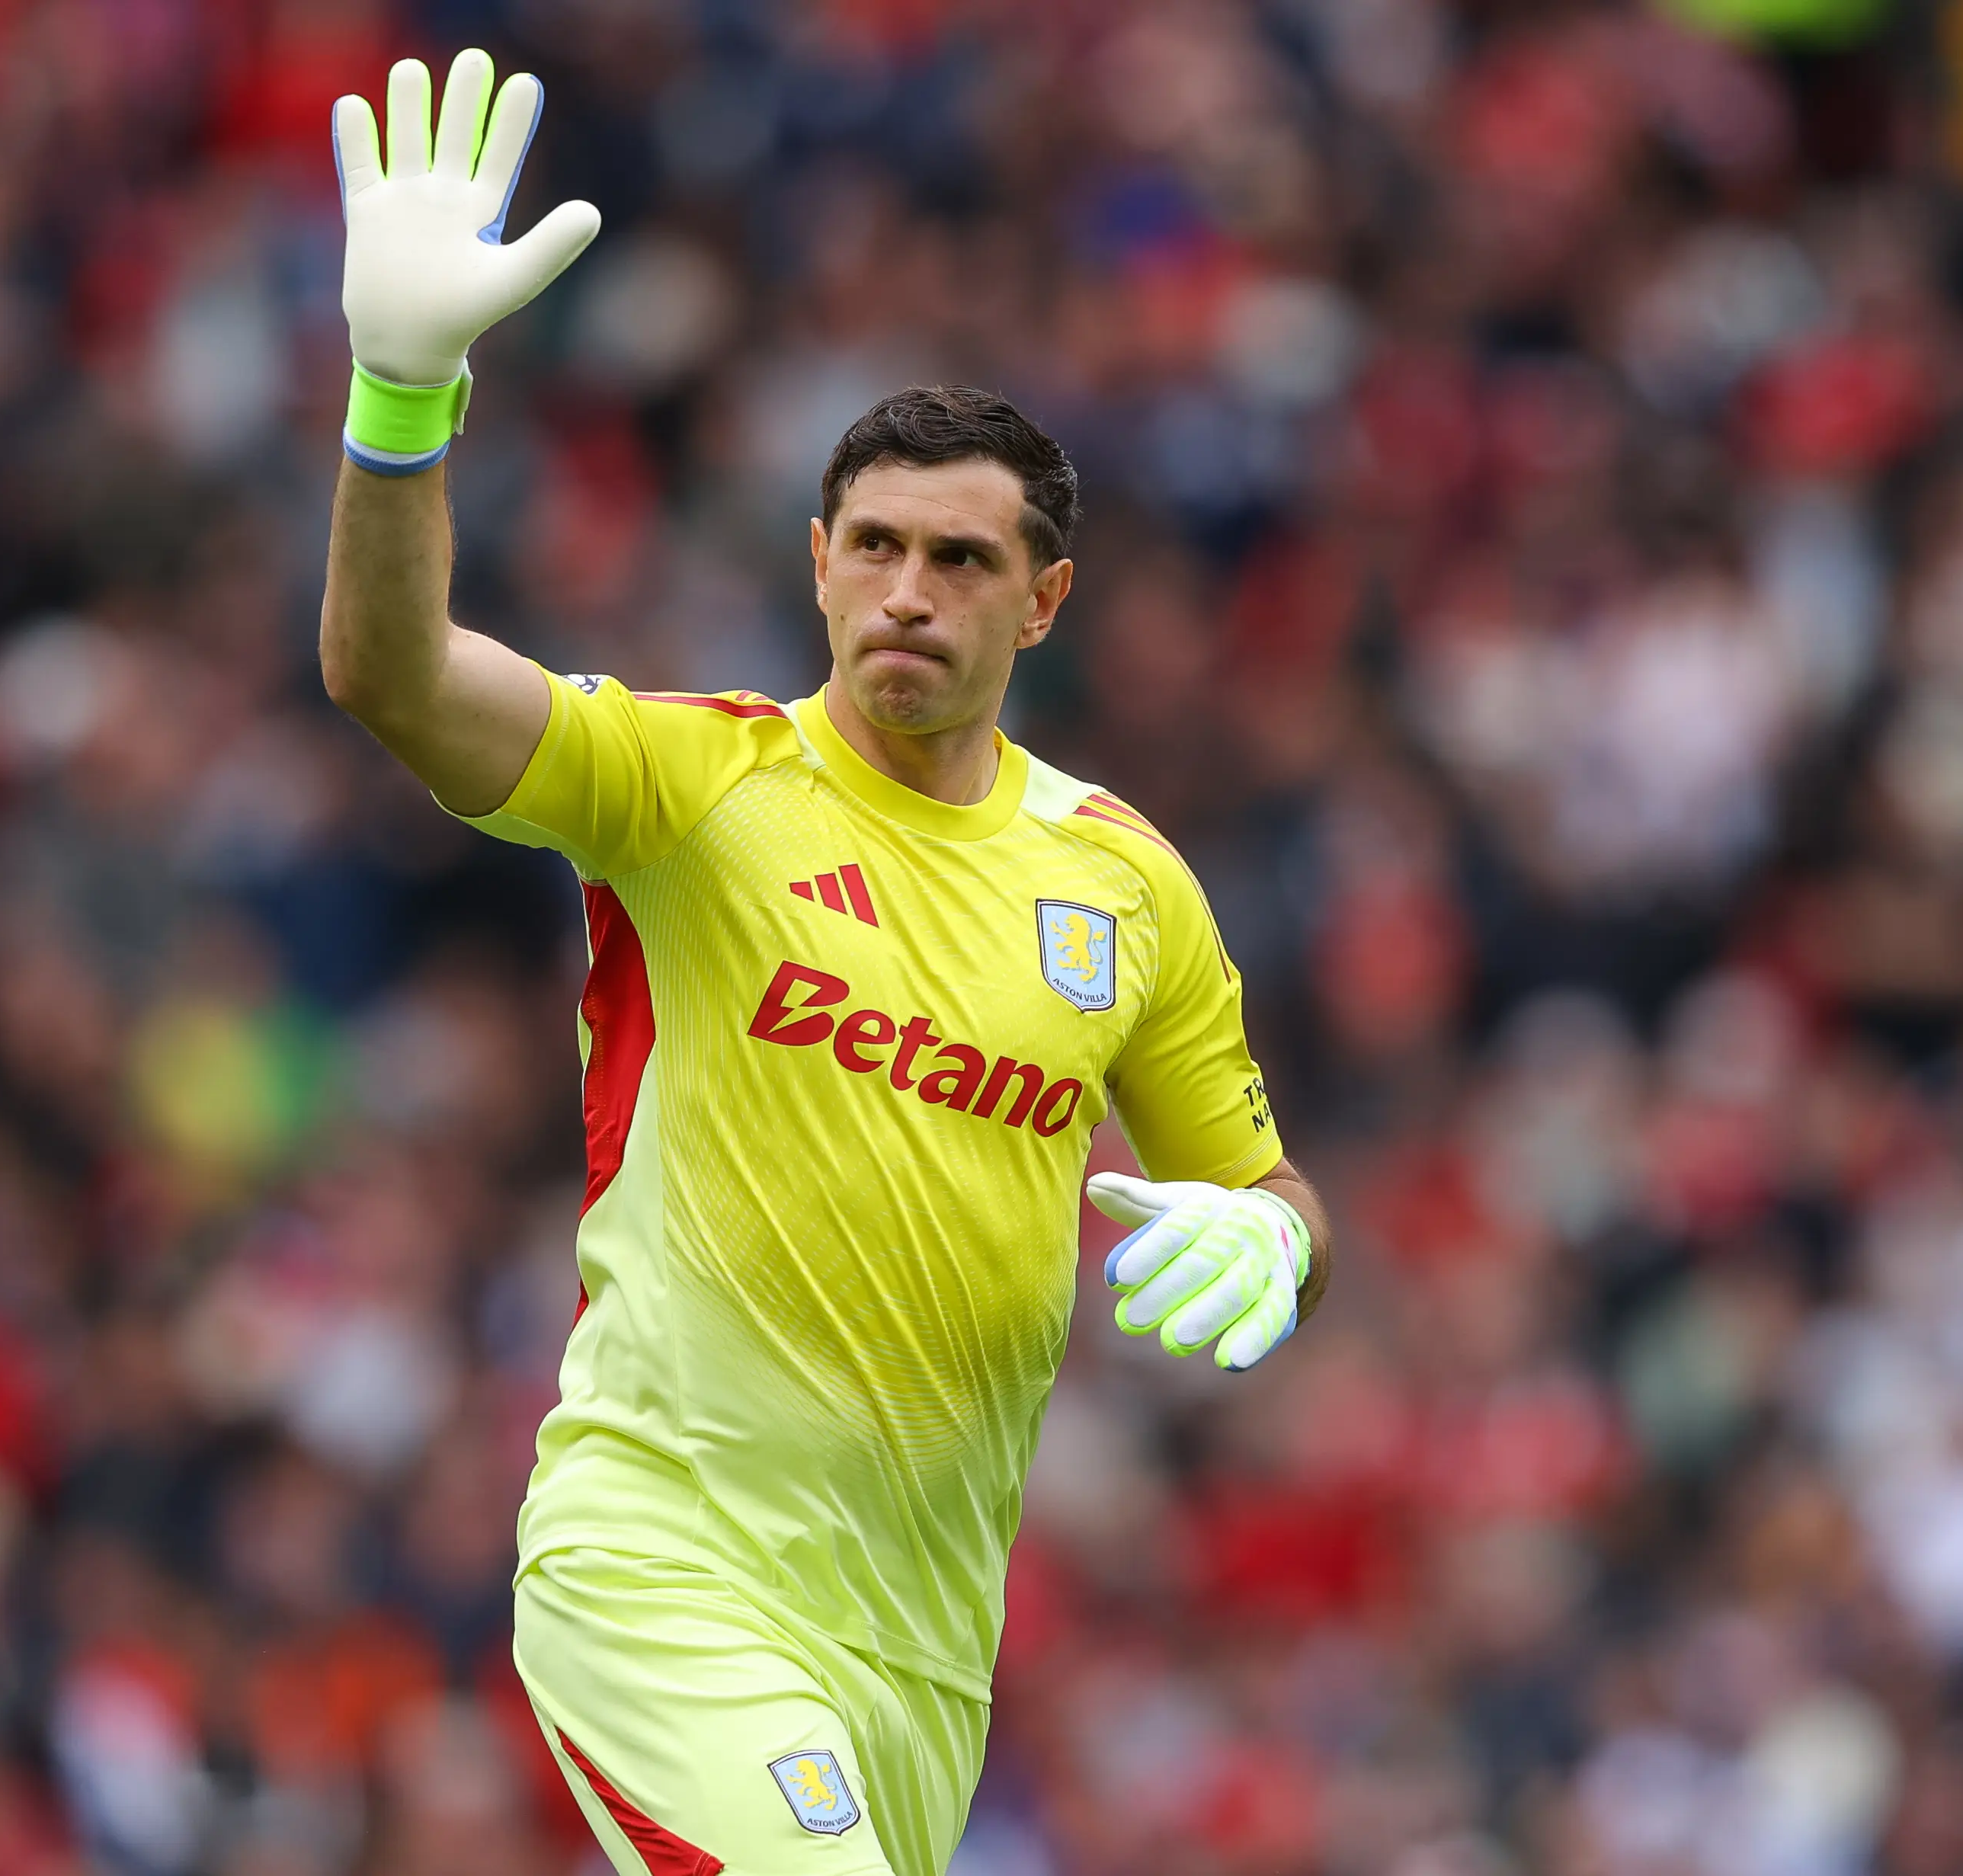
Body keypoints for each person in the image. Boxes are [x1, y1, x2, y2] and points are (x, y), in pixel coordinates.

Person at [318, 50, 1333, 1876]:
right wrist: (403, 396)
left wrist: (1274, 1242)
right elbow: (393, 675)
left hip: (919, 1651)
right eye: (871, 547)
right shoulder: (691, 783)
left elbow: (1265, 1197)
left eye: (959, 559)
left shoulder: (1124, 887)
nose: (906, 594)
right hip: (664, 1568)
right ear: (815, 564)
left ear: (1043, 603)